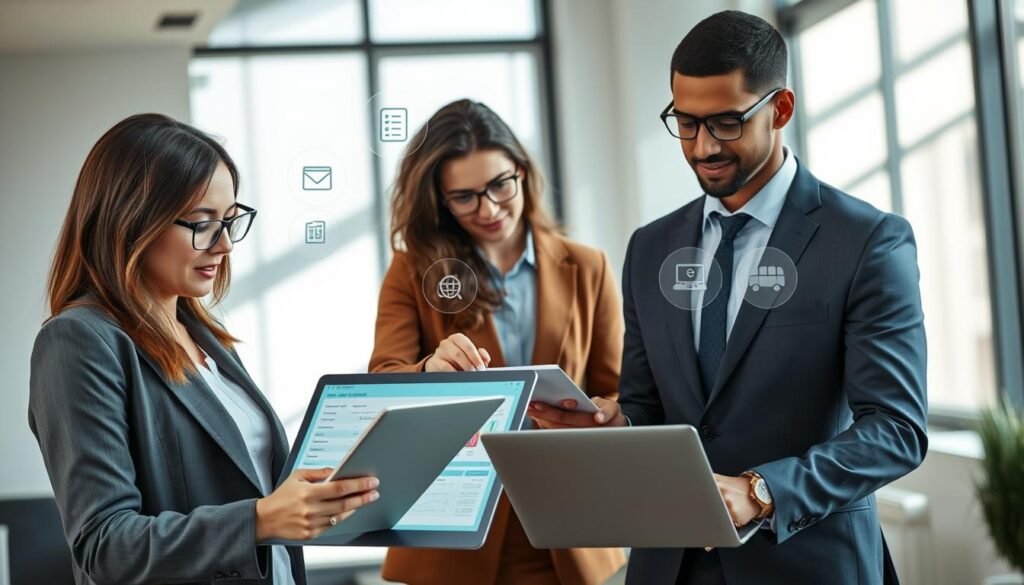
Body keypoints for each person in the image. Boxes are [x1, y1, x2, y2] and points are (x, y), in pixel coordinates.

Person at [529, 11, 928, 585]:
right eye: (685, 124)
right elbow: (648, 406)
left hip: (807, 562)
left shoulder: (867, 241)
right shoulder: (650, 248)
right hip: (668, 564)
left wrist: (764, 491)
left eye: (725, 123)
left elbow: (895, 428)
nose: (702, 147)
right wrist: (608, 427)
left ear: (781, 109)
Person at [28, 113, 380, 585]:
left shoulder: (207, 340)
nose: (226, 244)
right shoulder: (79, 341)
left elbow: (252, 480)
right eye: (201, 223)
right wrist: (259, 520)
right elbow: (105, 544)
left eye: (231, 220)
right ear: (130, 220)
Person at [369, 99, 627, 585]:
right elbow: (382, 381)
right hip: (455, 533)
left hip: (566, 529)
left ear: (523, 173)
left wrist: (599, 413)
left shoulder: (587, 266)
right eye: (463, 197)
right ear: (439, 200)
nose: (487, 209)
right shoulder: (412, 269)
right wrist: (429, 371)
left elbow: (618, 392)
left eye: (499, 185)